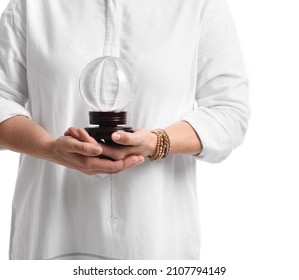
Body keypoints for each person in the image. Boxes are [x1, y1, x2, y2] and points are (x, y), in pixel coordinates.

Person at [0, 0, 250, 260]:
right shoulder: (32, 6)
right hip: (52, 230)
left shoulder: (198, 6)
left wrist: (158, 142)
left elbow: (229, 111)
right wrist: (50, 149)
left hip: (154, 236)